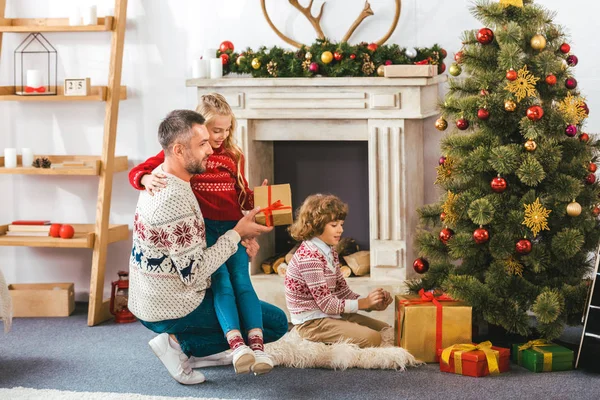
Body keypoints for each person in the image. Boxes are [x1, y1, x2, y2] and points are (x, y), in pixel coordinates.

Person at [129, 110, 288, 385]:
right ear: (178, 150)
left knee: (239, 303)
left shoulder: (164, 175)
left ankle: (202, 352)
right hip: (171, 304)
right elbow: (194, 273)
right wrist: (237, 234)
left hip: (154, 293)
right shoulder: (173, 201)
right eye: (202, 144)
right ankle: (177, 346)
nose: (210, 150)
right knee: (274, 322)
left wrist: (241, 232)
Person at [284, 194, 394, 348]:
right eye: (334, 225)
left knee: (385, 329)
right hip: (312, 323)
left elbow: (343, 293)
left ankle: (342, 332)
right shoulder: (309, 257)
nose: (341, 230)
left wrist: (371, 304)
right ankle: (322, 345)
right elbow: (327, 305)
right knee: (373, 338)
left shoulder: (329, 252)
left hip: (330, 315)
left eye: (341, 224)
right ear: (316, 225)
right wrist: (363, 303)